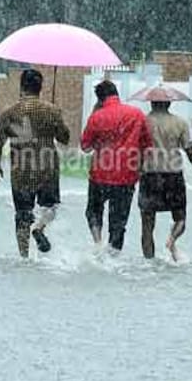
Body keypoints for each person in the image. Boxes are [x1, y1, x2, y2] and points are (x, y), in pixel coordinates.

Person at [0, 69, 71, 257]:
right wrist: (57, 119)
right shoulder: (51, 111)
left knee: (22, 213)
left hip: (21, 171)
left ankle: (24, 256)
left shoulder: (10, 113)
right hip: (47, 168)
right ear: (40, 87)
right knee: (50, 207)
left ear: (22, 86)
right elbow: (64, 138)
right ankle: (39, 227)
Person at [80, 80, 152, 252]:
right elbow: (147, 145)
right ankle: (113, 256)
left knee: (93, 212)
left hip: (100, 175)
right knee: (118, 222)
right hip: (126, 176)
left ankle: (98, 243)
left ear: (99, 99)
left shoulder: (96, 117)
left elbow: (85, 147)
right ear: (116, 94)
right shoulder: (136, 114)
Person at [139, 99, 192, 261]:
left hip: (150, 176)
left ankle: (148, 263)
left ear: (151, 103)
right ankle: (172, 240)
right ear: (169, 104)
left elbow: (135, 150)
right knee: (180, 218)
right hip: (173, 177)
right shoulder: (179, 123)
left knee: (147, 225)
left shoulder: (143, 122)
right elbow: (189, 150)